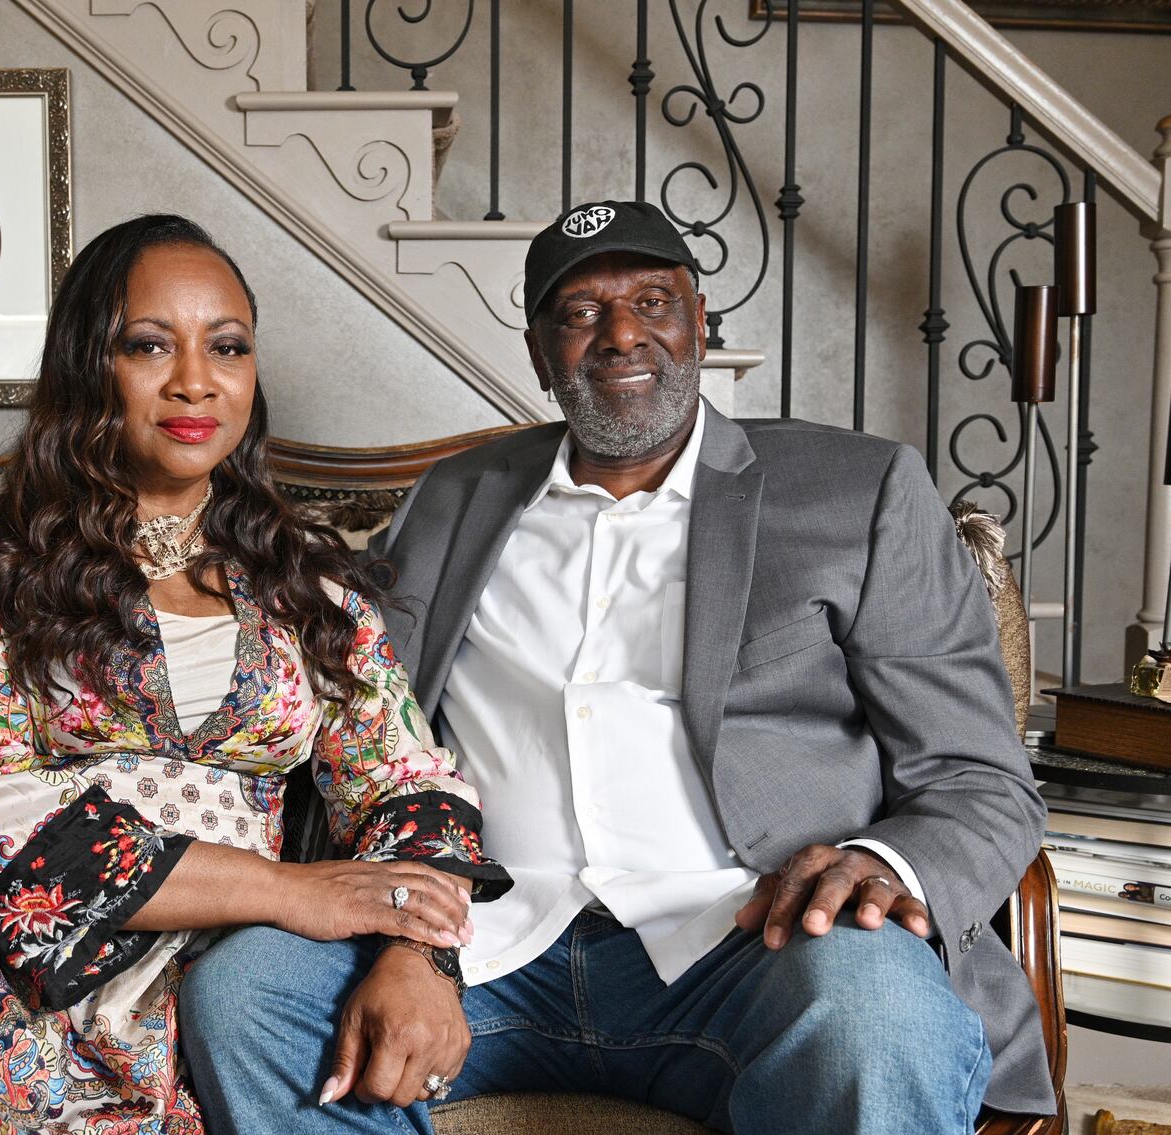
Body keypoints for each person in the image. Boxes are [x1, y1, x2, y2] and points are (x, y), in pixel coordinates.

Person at [180, 200, 1054, 1135]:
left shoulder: (855, 491)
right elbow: (350, 699)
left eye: (652, 300)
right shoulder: (455, 497)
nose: (622, 334)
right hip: (490, 945)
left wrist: (882, 864)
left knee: (875, 1013)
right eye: (581, 312)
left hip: (751, 942)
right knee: (249, 990)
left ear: (700, 321)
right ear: (537, 350)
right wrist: (405, 923)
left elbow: (980, 777)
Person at [0, 214, 509, 1135]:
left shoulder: (298, 572)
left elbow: (409, 778)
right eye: (148, 344)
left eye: (227, 347)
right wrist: (291, 890)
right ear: (87, 362)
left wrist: (411, 947)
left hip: (211, 976)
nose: (196, 380)